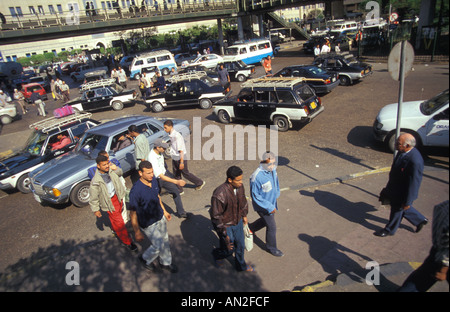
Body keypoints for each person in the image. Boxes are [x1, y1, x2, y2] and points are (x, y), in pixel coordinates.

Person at [375, 133, 429, 237]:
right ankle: (420, 220)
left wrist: (408, 201)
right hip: (394, 187)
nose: (395, 145)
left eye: (398, 143)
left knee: (397, 210)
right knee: (399, 207)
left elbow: (414, 183)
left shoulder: (415, 161)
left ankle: (389, 229)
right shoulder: (402, 151)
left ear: (407, 146)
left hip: (402, 192)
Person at [129, 160, 178, 273]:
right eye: (148, 173)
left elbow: (157, 197)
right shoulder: (136, 191)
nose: (151, 175)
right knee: (158, 245)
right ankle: (145, 258)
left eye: (152, 172)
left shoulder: (154, 181)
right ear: (140, 173)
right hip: (148, 223)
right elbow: (133, 213)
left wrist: (164, 211)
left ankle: (165, 263)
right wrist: (137, 231)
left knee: (165, 240)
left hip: (160, 217)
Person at [89, 154, 138, 252]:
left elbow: (120, 173)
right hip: (109, 202)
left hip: (117, 198)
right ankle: (128, 242)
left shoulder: (110, 171)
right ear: (98, 166)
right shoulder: (96, 181)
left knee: (116, 220)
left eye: (107, 164)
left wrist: (115, 168)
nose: (106, 166)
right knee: (119, 223)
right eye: (104, 165)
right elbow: (93, 197)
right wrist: (95, 209)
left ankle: (116, 230)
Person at [210, 166, 254, 272]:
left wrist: (244, 216)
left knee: (240, 245)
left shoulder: (240, 187)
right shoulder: (219, 194)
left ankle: (241, 266)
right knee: (229, 249)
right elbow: (216, 216)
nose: (241, 182)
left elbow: (243, 202)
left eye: (241, 179)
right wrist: (223, 232)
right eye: (238, 180)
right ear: (230, 180)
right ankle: (218, 255)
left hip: (237, 221)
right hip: (226, 225)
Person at [397, 200, 449, 292]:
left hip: (441, 254)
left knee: (422, 278)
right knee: (422, 279)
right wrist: (444, 267)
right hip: (442, 256)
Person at [249, 151, 284, 257]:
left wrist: (277, 193)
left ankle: (251, 228)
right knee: (272, 227)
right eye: (270, 164)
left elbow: (276, 181)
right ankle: (272, 248)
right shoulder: (256, 177)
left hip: (272, 203)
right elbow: (256, 197)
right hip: (263, 207)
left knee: (266, 222)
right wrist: (269, 207)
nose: (272, 166)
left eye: (274, 163)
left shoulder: (273, 170)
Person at [148, 138, 188, 218]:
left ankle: (181, 212)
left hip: (164, 174)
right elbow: (161, 176)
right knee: (154, 197)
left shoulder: (160, 153)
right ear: (157, 147)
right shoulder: (152, 157)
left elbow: (163, 168)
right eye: (163, 147)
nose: (165, 149)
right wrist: (176, 182)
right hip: (157, 179)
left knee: (175, 191)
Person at [163, 120, 205, 193]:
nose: (164, 129)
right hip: (175, 157)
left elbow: (181, 150)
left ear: (170, 126)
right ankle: (180, 190)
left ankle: (200, 182)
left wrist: (181, 162)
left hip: (180, 158)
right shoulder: (171, 135)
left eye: (165, 128)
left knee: (185, 173)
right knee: (176, 174)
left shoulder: (176, 136)